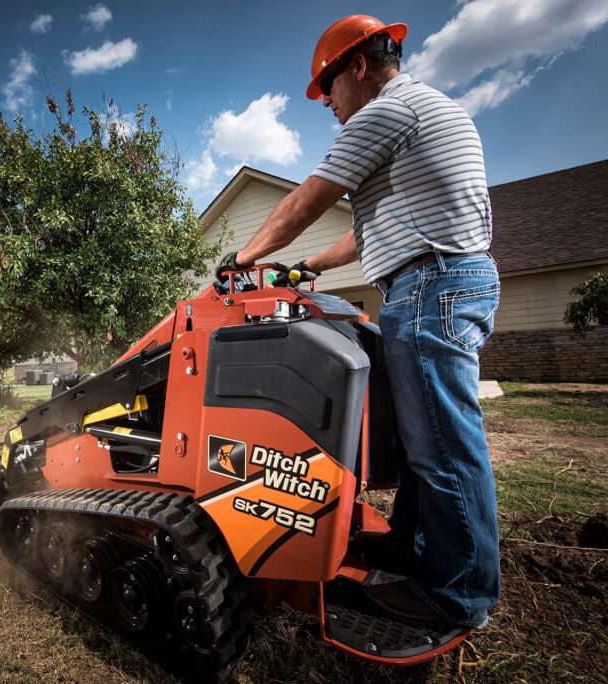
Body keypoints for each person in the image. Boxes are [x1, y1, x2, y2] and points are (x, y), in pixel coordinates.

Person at [217, 15, 500, 628]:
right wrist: (302, 268)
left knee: (446, 450)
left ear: (358, 68)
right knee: (424, 445)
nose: (332, 109)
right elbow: (362, 234)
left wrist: (240, 259)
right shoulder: (425, 111)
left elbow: (305, 200)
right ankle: (410, 550)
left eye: (330, 92)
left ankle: (457, 595)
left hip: (431, 287)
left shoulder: (385, 112)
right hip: (440, 281)